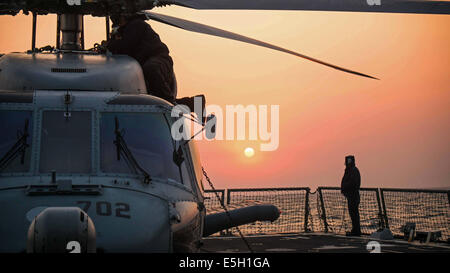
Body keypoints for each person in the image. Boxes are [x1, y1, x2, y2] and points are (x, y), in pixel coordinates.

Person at [106, 13, 176, 103]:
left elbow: (125, 46)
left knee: (151, 68)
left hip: (158, 59)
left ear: (123, 17)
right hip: (145, 62)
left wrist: (110, 45)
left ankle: (168, 101)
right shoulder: (124, 31)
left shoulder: (136, 25)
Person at [341, 155, 361, 236]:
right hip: (351, 196)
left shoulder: (353, 171)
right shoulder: (350, 171)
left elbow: (353, 183)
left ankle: (356, 231)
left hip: (353, 196)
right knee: (353, 214)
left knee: (354, 213)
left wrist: (345, 187)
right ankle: (355, 230)